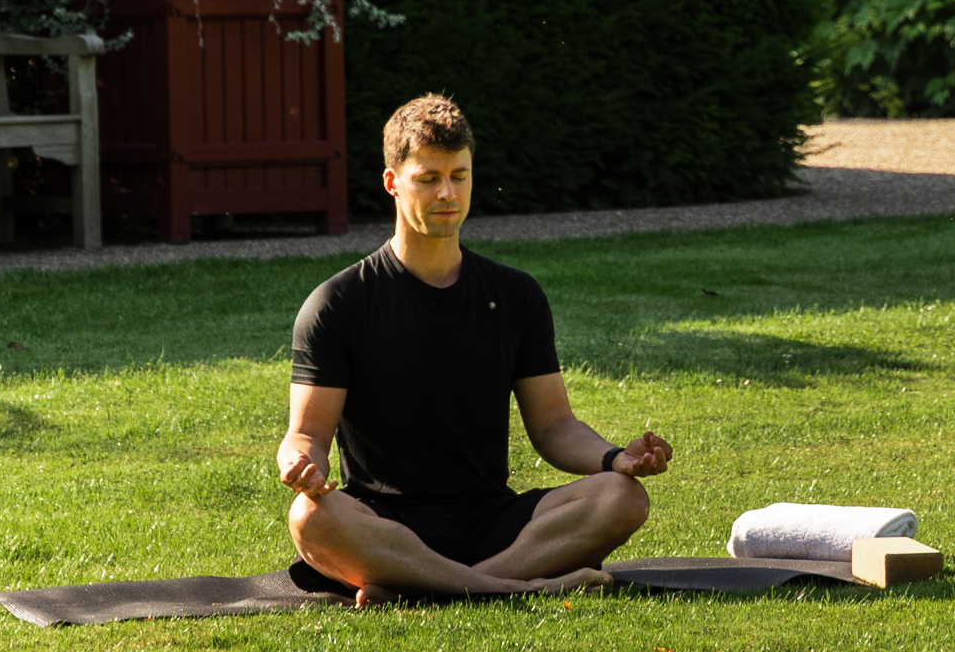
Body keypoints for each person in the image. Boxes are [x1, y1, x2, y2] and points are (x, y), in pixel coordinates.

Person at [278, 94, 672, 606]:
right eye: (428, 178)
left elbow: (555, 428)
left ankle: (425, 587)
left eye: (459, 176)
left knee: (622, 497)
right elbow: (306, 434)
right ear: (392, 182)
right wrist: (302, 464)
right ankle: (516, 586)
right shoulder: (339, 303)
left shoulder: (514, 295)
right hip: (384, 522)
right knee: (310, 517)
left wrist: (615, 458)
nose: (447, 193)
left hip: (492, 518)